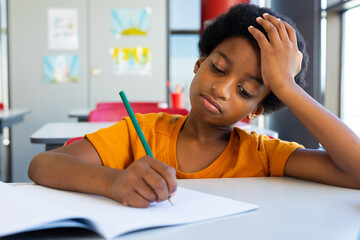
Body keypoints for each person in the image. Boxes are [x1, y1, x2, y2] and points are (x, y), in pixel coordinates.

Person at [28, 3, 360, 208]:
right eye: (218, 68)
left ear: (257, 110)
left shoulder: (262, 153)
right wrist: (114, 183)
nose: (222, 88)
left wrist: (285, 86)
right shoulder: (141, 132)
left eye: (245, 90)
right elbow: (42, 165)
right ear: (199, 64)